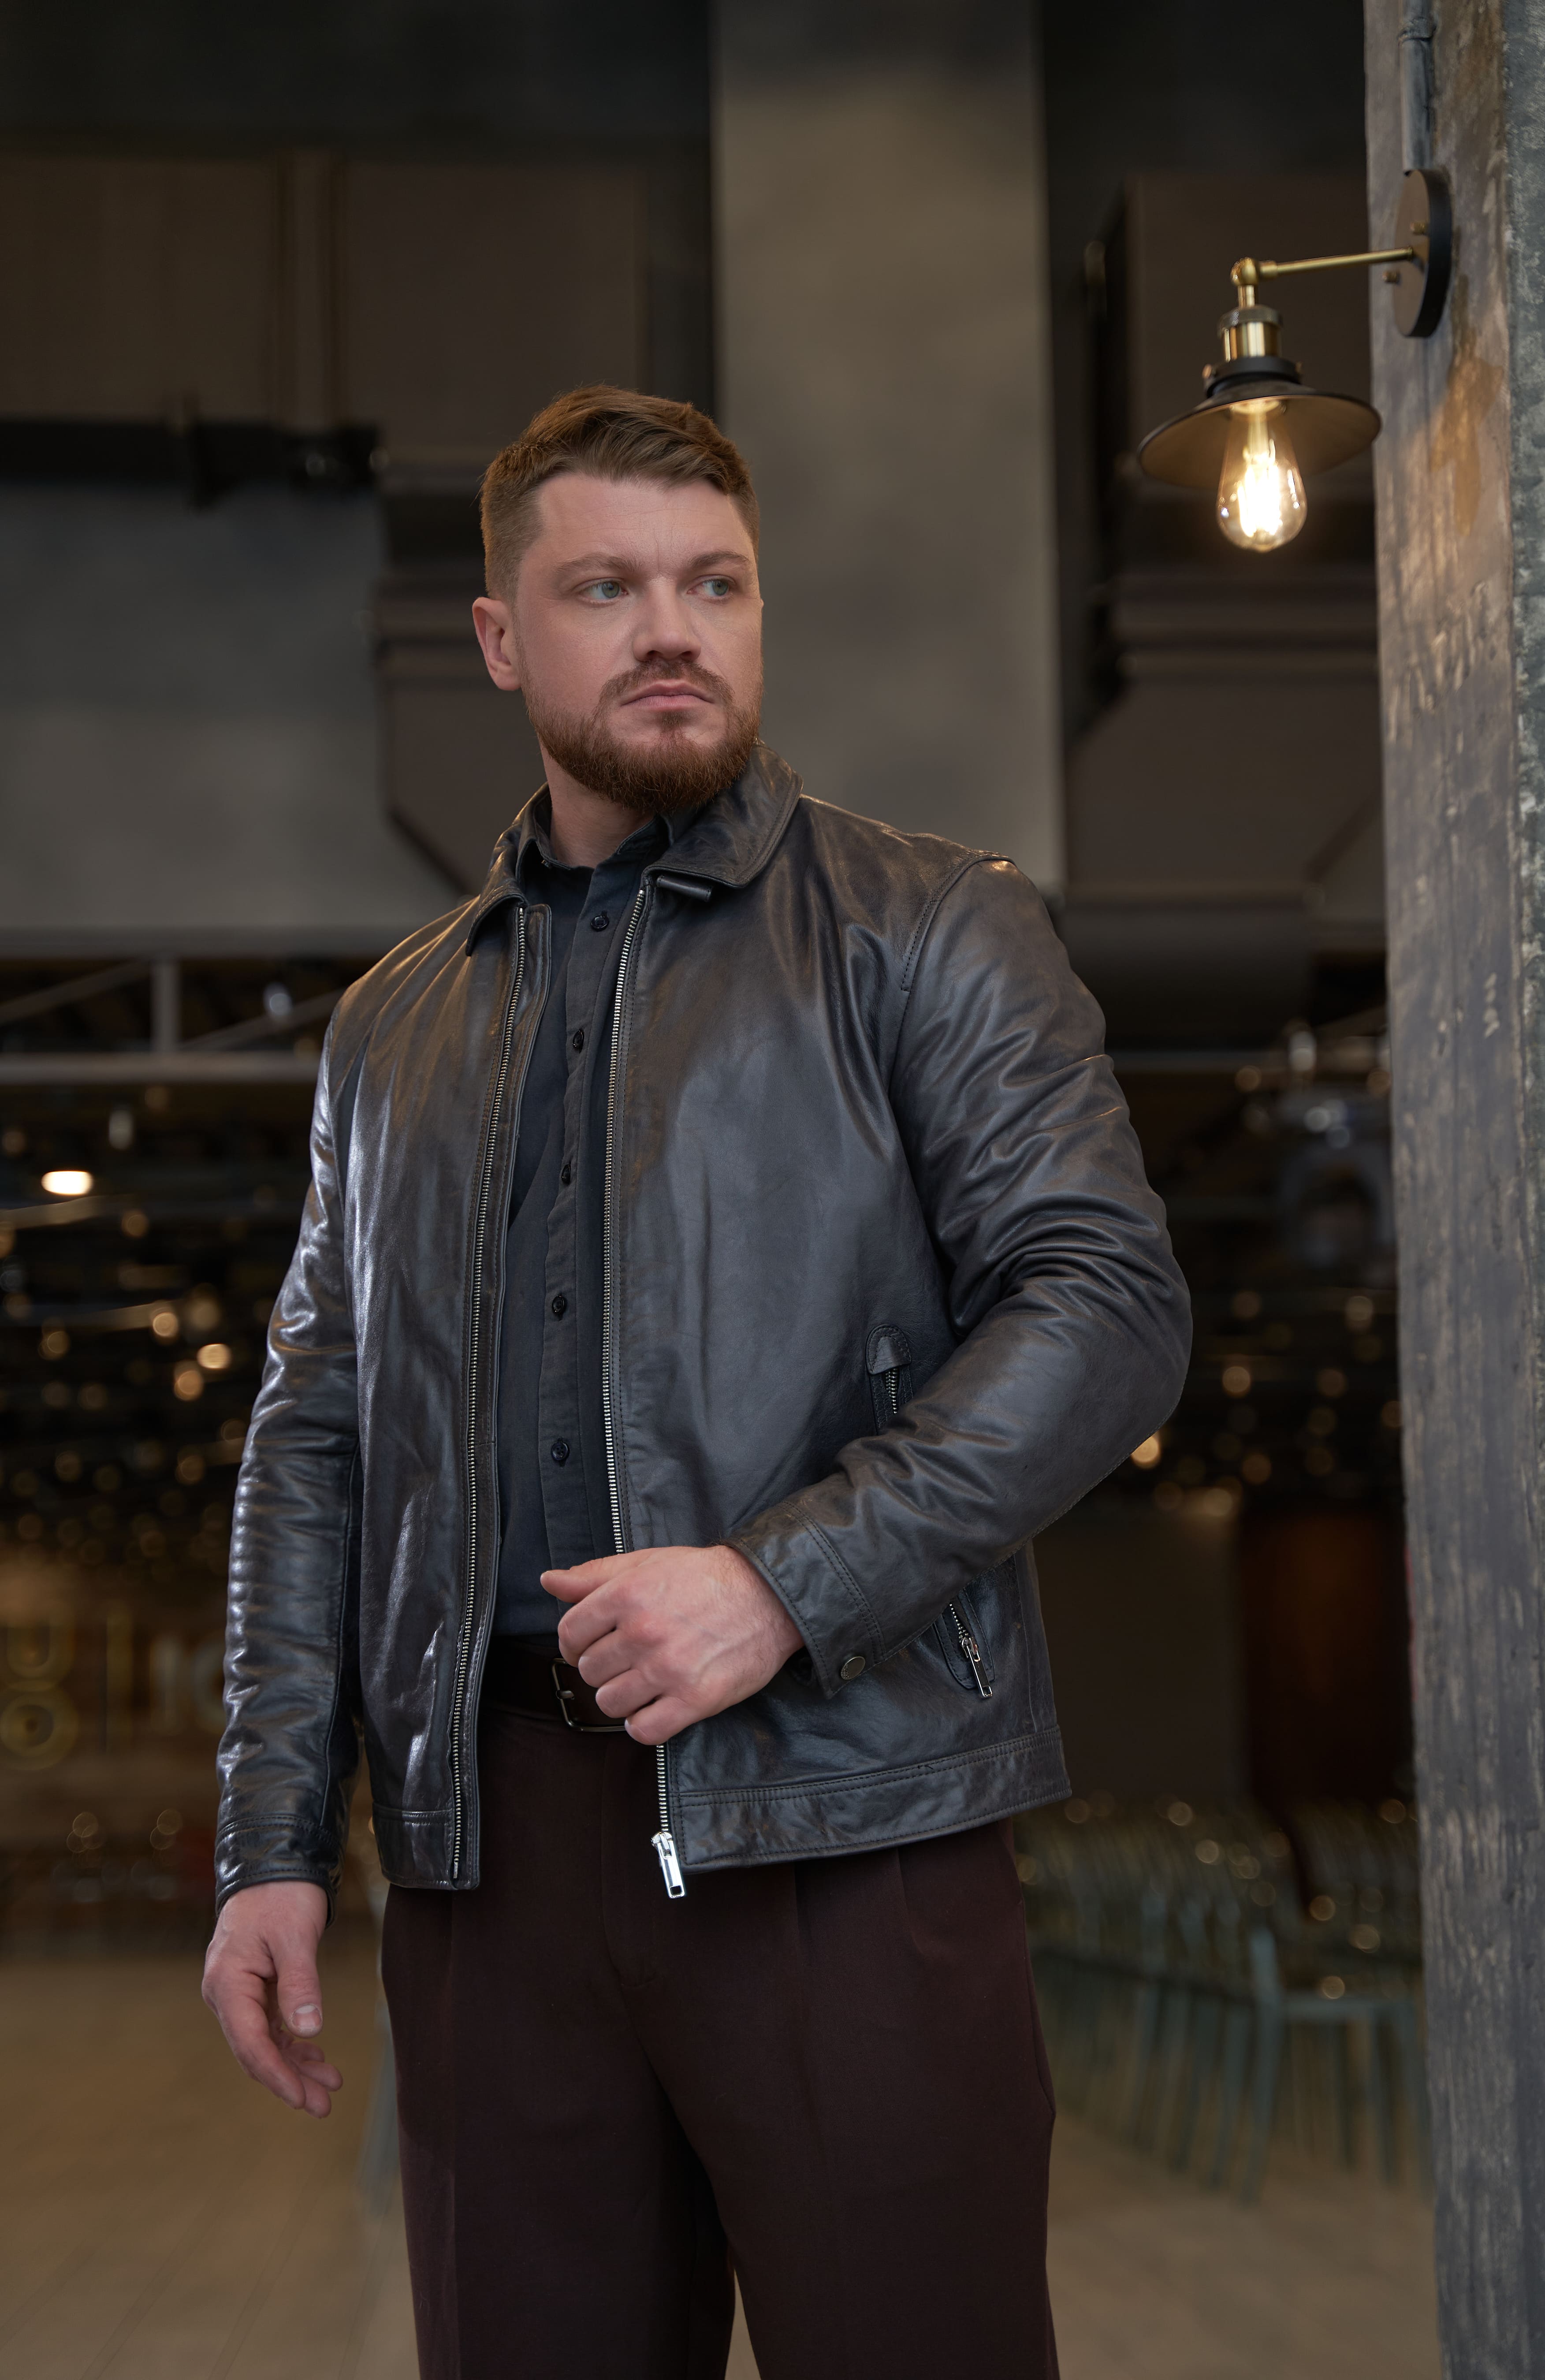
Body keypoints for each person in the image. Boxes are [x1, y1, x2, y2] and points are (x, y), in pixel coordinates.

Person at [202, 384, 1190, 2379]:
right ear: (503, 639)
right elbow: (315, 1439)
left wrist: (780, 1585)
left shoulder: (932, 929)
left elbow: (1107, 1302)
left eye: (716, 585)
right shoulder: (392, 1029)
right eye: (608, 589)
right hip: (490, 1863)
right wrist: (272, 1840)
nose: (674, 631)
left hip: (847, 1820)